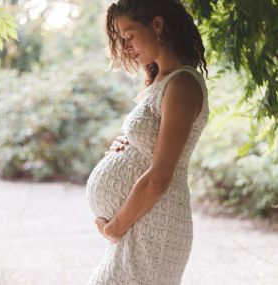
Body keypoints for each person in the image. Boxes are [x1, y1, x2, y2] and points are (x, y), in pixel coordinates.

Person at [85, 0, 210, 284]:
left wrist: (115, 228)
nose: (126, 48)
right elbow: (152, 145)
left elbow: (161, 175)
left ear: (157, 25)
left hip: (155, 224)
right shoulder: (161, 81)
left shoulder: (182, 85)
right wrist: (127, 144)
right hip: (142, 223)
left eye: (129, 36)